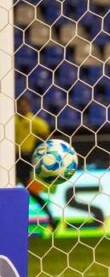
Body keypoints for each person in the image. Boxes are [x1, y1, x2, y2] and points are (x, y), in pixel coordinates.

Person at [15, 96, 54, 226]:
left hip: (25, 158)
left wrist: (46, 150)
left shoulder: (34, 121)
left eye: (25, 105)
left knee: (27, 190)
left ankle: (50, 217)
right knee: (14, 189)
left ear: (29, 107)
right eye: (20, 105)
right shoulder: (12, 120)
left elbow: (46, 135)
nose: (23, 108)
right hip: (11, 158)